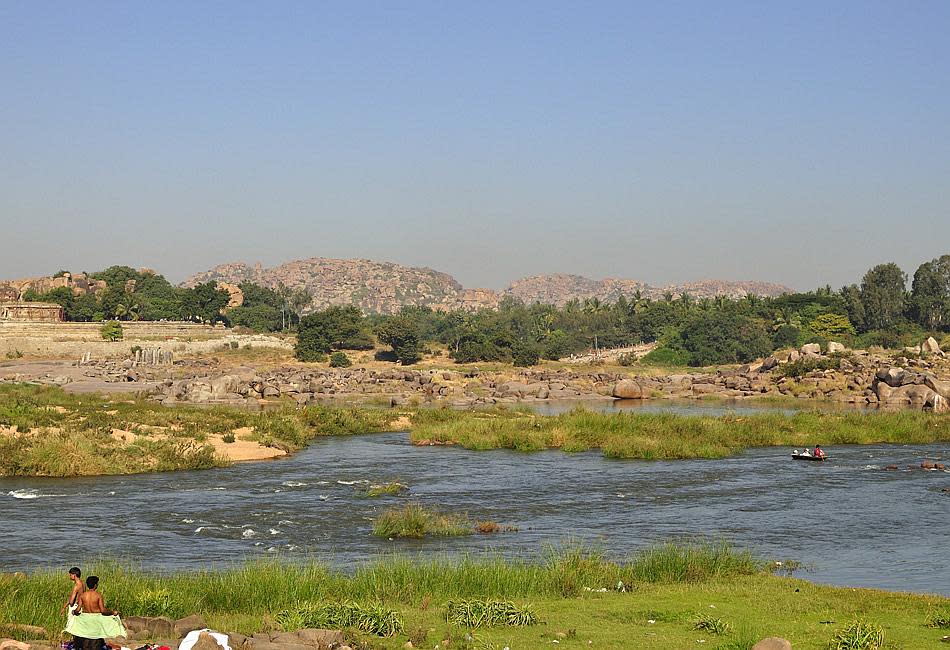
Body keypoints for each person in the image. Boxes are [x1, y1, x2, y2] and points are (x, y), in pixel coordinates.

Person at [64, 576, 127, 650]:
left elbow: (78, 610)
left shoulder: (83, 595)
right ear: (95, 585)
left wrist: (73, 612)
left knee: (87, 639)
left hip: (86, 620)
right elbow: (103, 611)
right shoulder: (98, 595)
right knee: (96, 641)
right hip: (96, 621)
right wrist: (113, 612)